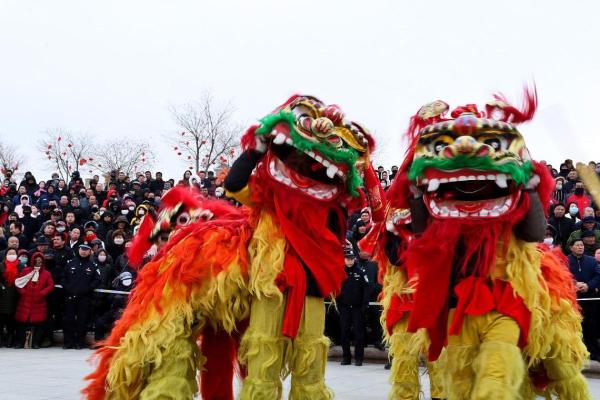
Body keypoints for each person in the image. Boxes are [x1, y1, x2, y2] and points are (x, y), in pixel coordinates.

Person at [62, 244, 101, 349]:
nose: (84, 252)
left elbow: (97, 280)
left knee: (82, 320)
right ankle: (68, 342)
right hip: (70, 296)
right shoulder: (70, 263)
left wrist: (88, 289)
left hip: (85, 297)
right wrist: (68, 288)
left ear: (90, 252)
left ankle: (79, 342)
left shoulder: (93, 265)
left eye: (86, 250)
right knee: (68, 319)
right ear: (78, 250)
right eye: (82, 249)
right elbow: (63, 277)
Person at [567, 239, 600, 360]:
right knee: (574, 327)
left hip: (590, 299)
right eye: (577, 245)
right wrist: (574, 284)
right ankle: (574, 353)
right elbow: (562, 275)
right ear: (571, 248)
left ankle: (594, 353)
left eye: (581, 245)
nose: (580, 247)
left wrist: (588, 285)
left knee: (591, 326)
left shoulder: (591, 261)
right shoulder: (565, 261)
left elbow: (598, 275)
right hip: (572, 300)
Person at [14, 252, 54, 348]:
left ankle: (36, 342)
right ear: (33, 261)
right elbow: (18, 282)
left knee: (39, 324)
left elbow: (51, 285)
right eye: (36, 261)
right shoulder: (26, 270)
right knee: (21, 323)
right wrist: (22, 292)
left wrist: (42, 293)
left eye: (40, 261)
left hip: (39, 302)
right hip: (25, 300)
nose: (38, 263)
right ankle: (20, 342)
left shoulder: (47, 273)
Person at [338, 248, 369, 366]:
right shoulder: (341, 271)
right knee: (344, 333)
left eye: (351, 259)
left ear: (354, 259)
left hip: (357, 307)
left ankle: (359, 358)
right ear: (344, 260)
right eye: (347, 259)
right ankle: (346, 357)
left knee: (359, 333)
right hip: (344, 307)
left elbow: (367, 287)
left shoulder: (360, 271)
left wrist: (364, 303)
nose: (349, 261)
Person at [0, 248, 20, 347]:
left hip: (15, 296)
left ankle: (10, 339)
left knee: (12, 321)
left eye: (13, 253)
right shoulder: (1, 265)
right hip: (2, 296)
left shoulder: (20, 266)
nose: (11, 255)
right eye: (9, 253)